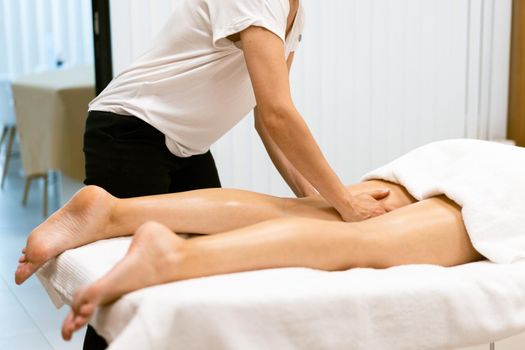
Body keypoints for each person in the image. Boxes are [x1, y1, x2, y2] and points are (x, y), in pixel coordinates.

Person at [14, 178, 484, 340]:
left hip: (449, 164)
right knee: (364, 243)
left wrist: (324, 199)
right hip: (504, 192)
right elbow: (274, 115)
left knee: (295, 209)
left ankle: (114, 213)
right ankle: (175, 254)